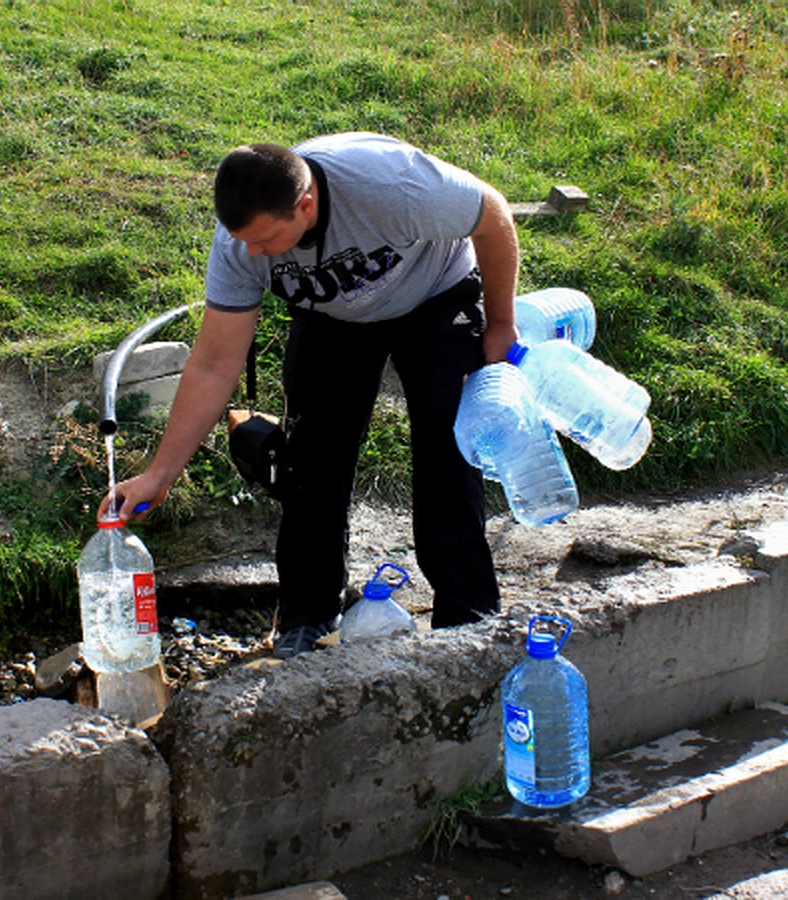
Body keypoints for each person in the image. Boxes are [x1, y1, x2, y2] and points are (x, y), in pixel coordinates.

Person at [100, 132, 520, 658]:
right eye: (244, 240)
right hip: (332, 316)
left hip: (434, 295)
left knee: (448, 455)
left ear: (305, 204)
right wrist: (159, 474)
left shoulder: (393, 184)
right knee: (312, 461)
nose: (252, 253)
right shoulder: (241, 244)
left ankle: (468, 621)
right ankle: (308, 617)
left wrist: (501, 322)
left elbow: (493, 215)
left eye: (265, 240)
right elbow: (213, 364)